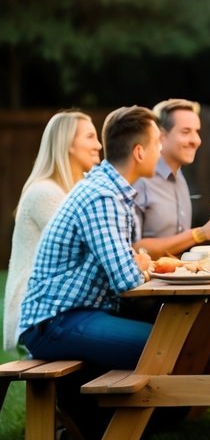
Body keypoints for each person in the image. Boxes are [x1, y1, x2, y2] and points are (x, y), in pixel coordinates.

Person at [18, 105, 162, 374]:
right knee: (165, 344)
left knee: (173, 331)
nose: (161, 151)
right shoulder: (102, 197)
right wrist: (138, 265)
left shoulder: (112, 192)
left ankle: (111, 414)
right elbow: (126, 278)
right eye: (157, 143)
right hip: (55, 321)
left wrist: (138, 263)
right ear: (139, 152)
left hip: (80, 313)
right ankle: (112, 415)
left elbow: (127, 265)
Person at [3, 111, 102, 353]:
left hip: (61, 306)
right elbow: (88, 250)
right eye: (90, 136)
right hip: (37, 313)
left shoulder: (77, 191)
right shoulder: (45, 193)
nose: (99, 145)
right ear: (67, 144)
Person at [133, 98, 210, 257]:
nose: (196, 140)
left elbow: (179, 246)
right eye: (186, 132)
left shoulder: (179, 176)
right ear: (161, 136)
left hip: (179, 277)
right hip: (148, 281)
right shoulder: (140, 180)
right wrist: (201, 233)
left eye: (197, 131)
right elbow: (134, 249)